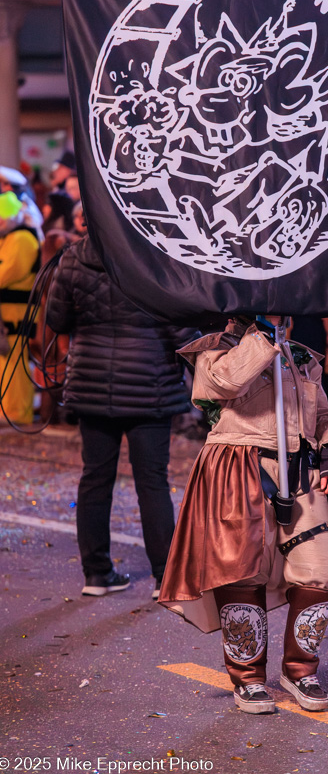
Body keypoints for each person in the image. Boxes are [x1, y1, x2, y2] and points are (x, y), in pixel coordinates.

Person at [158, 315, 328, 715]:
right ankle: (248, 677)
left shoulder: (301, 356)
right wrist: (261, 334)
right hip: (237, 467)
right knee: (240, 570)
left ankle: (300, 670)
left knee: (321, 572)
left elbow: (323, 416)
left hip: (302, 471)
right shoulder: (213, 348)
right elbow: (226, 384)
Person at [46, 234, 194, 597]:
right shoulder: (156, 254)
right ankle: (165, 577)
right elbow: (183, 329)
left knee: (95, 478)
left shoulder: (73, 258)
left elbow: (56, 319)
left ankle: (96, 574)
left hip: (92, 383)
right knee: (152, 482)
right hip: (150, 385)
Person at [0, 192, 40, 426]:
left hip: (17, 314)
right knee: (6, 362)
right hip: (7, 315)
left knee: (14, 361)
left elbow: (6, 273)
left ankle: (17, 413)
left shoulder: (22, 239)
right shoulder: (8, 239)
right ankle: (9, 410)